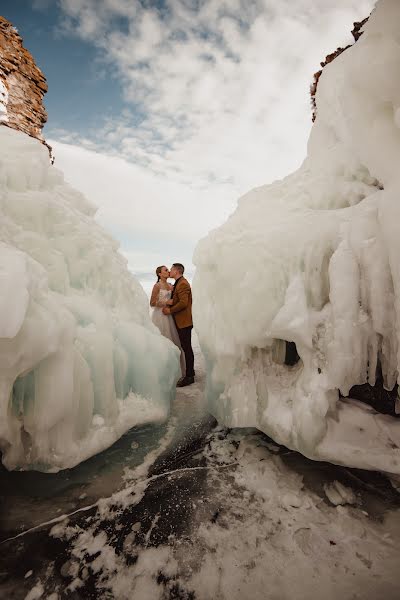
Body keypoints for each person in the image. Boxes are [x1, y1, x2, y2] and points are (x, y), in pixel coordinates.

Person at [162, 263, 195, 387]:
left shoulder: (183, 284)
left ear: (176, 271)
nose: (170, 271)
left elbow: (183, 303)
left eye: (171, 269)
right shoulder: (179, 283)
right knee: (186, 347)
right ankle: (190, 371)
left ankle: (189, 376)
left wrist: (170, 310)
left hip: (184, 321)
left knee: (186, 348)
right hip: (182, 321)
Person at [150, 266, 185, 376]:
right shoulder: (157, 286)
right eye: (165, 270)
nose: (168, 271)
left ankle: (175, 372)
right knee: (162, 341)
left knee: (174, 342)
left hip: (169, 316)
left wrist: (171, 303)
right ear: (160, 274)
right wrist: (166, 302)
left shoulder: (171, 286)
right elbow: (152, 303)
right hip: (160, 316)